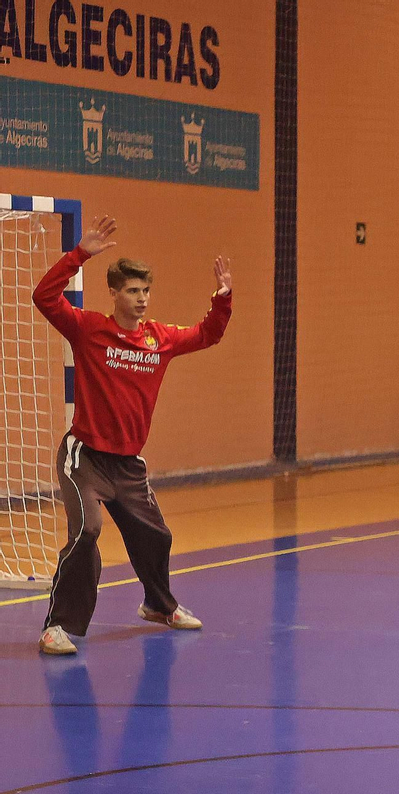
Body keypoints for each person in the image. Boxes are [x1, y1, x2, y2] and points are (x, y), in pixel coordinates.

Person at [32, 214, 233, 656]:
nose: (141, 299)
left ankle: (158, 606)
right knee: (87, 531)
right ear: (115, 294)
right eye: (133, 291)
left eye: (146, 291)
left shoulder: (160, 339)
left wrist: (222, 300)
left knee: (156, 536)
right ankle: (57, 628)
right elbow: (44, 297)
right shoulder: (88, 329)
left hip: (127, 464)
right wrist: (79, 254)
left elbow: (208, 335)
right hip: (84, 458)